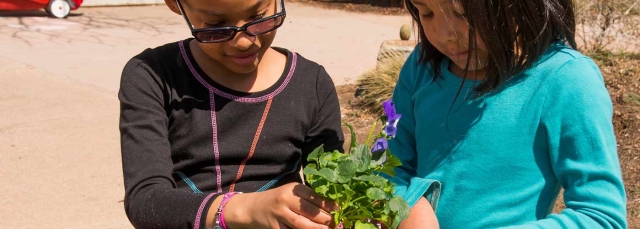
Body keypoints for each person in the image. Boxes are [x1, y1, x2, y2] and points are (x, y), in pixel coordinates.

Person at [388, 0, 628, 228]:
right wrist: (407, 204)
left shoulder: (567, 80)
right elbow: (387, 165)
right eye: (426, 13)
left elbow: (601, 216)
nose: (443, 35)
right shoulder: (421, 66)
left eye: (462, 13)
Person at [118, 0, 344, 228]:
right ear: (176, 5)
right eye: (215, 24)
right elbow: (146, 202)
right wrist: (245, 209)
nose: (244, 42)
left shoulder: (311, 84)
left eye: (258, 17)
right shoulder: (152, 75)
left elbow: (332, 189)